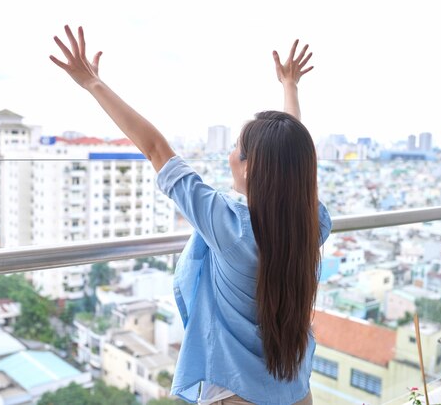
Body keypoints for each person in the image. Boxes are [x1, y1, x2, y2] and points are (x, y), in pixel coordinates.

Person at [51, 26, 332, 405]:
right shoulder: (310, 222)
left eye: (237, 147)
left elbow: (154, 148)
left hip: (237, 392)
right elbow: (293, 159)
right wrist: (290, 86)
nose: (230, 153)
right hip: (296, 389)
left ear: (251, 168)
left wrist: (92, 83)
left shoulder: (228, 224)